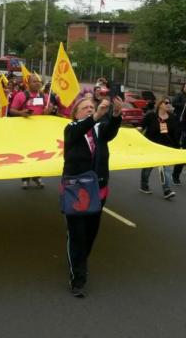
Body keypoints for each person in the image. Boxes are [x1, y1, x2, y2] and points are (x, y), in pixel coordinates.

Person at [63, 96, 122, 297]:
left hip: (98, 189)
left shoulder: (99, 130)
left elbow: (111, 131)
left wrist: (115, 115)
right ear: (76, 112)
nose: (90, 109)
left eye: (92, 107)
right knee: (77, 234)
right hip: (77, 191)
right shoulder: (71, 128)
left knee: (90, 233)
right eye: (85, 107)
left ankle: (80, 261)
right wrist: (95, 116)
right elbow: (78, 132)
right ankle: (78, 279)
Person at [10, 74, 53, 189]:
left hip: (39, 131)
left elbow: (45, 112)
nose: (38, 83)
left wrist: (48, 111)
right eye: (34, 82)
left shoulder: (44, 96)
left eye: (39, 82)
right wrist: (21, 113)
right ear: (28, 83)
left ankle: (37, 176)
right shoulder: (21, 95)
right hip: (25, 131)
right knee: (26, 154)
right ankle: (25, 178)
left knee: (39, 154)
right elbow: (12, 110)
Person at [138, 97, 179, 199]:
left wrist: (177, 146)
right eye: (166, 102)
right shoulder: (151, 116)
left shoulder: (172, 117)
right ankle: (144, 185)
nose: (168, 104)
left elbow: (175, 134)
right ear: (160, 104)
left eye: (170, 103)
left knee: (166, 170)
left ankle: (167, 190)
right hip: (151, 146)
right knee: (148, 168)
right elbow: (141, 127)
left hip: (165, 147)